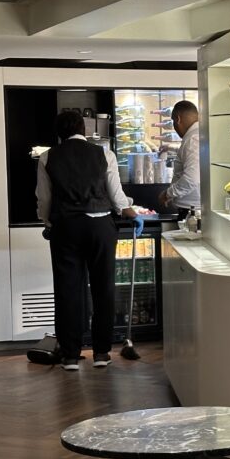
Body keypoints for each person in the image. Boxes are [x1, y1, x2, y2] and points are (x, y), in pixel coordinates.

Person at [36, 110, 145, 371]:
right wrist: (133, 213)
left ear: (58, 132)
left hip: (66, 227)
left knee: (67, 290)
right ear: (84, 129)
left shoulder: (47, 157)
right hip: (100, 226)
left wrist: (48, 222)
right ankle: (101, 352)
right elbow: (117, 197)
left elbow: (44, 199)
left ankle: (71, 355)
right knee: (102, 287)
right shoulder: (104, 154)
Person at [158, 100, 199, 219]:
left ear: (178, 119)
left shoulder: (193, 139)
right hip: (193, 209)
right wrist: (172, 148)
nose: (174, 126)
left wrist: (168, 194)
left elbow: (192, 179)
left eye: (173, 121)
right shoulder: (198, 135)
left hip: (191, 212)